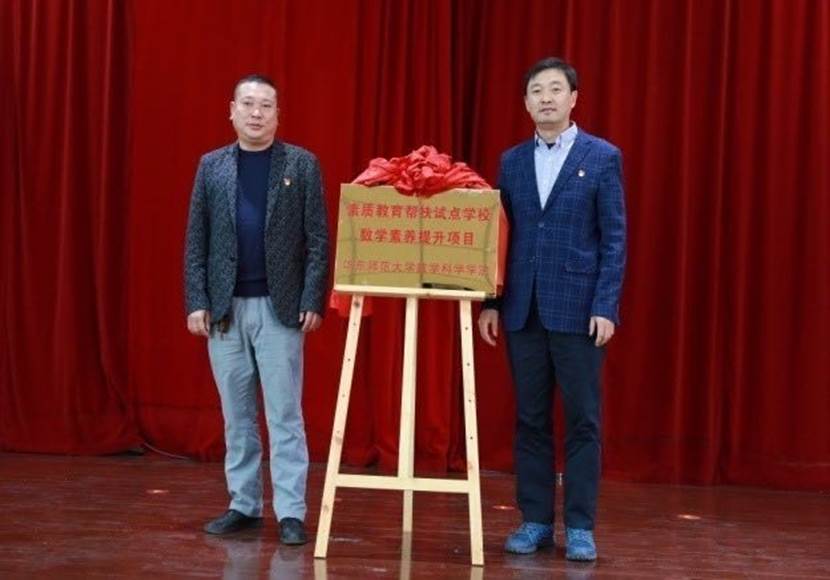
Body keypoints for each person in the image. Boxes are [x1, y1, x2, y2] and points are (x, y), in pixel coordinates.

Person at [478, 57, 626, 561]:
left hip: (580, 311)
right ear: (525, 103)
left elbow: (614, 239)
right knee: (530, 419)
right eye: (537, 90)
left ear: (573, 98)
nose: (546, 98)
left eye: (556, 89)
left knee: (583, 420)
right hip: (523, 310)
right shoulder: (512, 161)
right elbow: (499, 236)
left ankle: (580, 526)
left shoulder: (601, 157)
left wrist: (606, 304)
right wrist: (492, 302)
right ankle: (536, 520)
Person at [184, 74, 329, 545]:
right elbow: (196, 240)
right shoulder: (212, 166)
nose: (256, 113)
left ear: (277, 114)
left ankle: (291, 512)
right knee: (237, 415)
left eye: (265, 105)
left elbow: (318, 240)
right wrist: (197, 300)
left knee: (285, 414)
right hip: (224, 310)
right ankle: (243, 504)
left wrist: (312, 299)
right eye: (247, 104)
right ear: (231, 110)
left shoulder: (301, 164)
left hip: (280, 308)